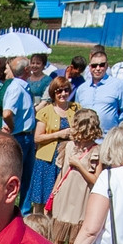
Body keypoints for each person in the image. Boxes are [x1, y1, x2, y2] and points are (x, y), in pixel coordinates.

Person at [41, 107, 104, 244]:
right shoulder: (68, 146)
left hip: (81, 199)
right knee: (56, 239)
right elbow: (61, 174)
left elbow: (96, 179)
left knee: (74, 242)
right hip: (64, 196)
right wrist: (53, 194)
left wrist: (79, 166)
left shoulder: (96, 151)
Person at [27, 74, 77, 214]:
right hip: (47, 160)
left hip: (68, 157)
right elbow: (37, 138)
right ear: (53, 92)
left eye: (66, 90)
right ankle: (39, 223)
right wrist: (58, 135)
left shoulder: (75, 108)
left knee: (62, 194)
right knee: (42, 196)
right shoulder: (45, 112)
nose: (63, 94)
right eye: (59, 91)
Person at [0, 57, 38, 201]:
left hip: (26, 136)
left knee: (27, 176)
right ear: (26, 70)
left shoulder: (23, 87)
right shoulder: (16, 88)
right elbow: (7, 112)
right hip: (19, 136)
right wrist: (12, 126)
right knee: (18, 175)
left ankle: (24, 210)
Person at [72, 47, 123, 131]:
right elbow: (77, 113)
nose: (98, 68)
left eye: (101, 65)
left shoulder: (119, 86)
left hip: (108, 139)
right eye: (94, 66)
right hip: (85, 138)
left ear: (107, 66)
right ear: (90, 67)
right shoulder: (82, 88)